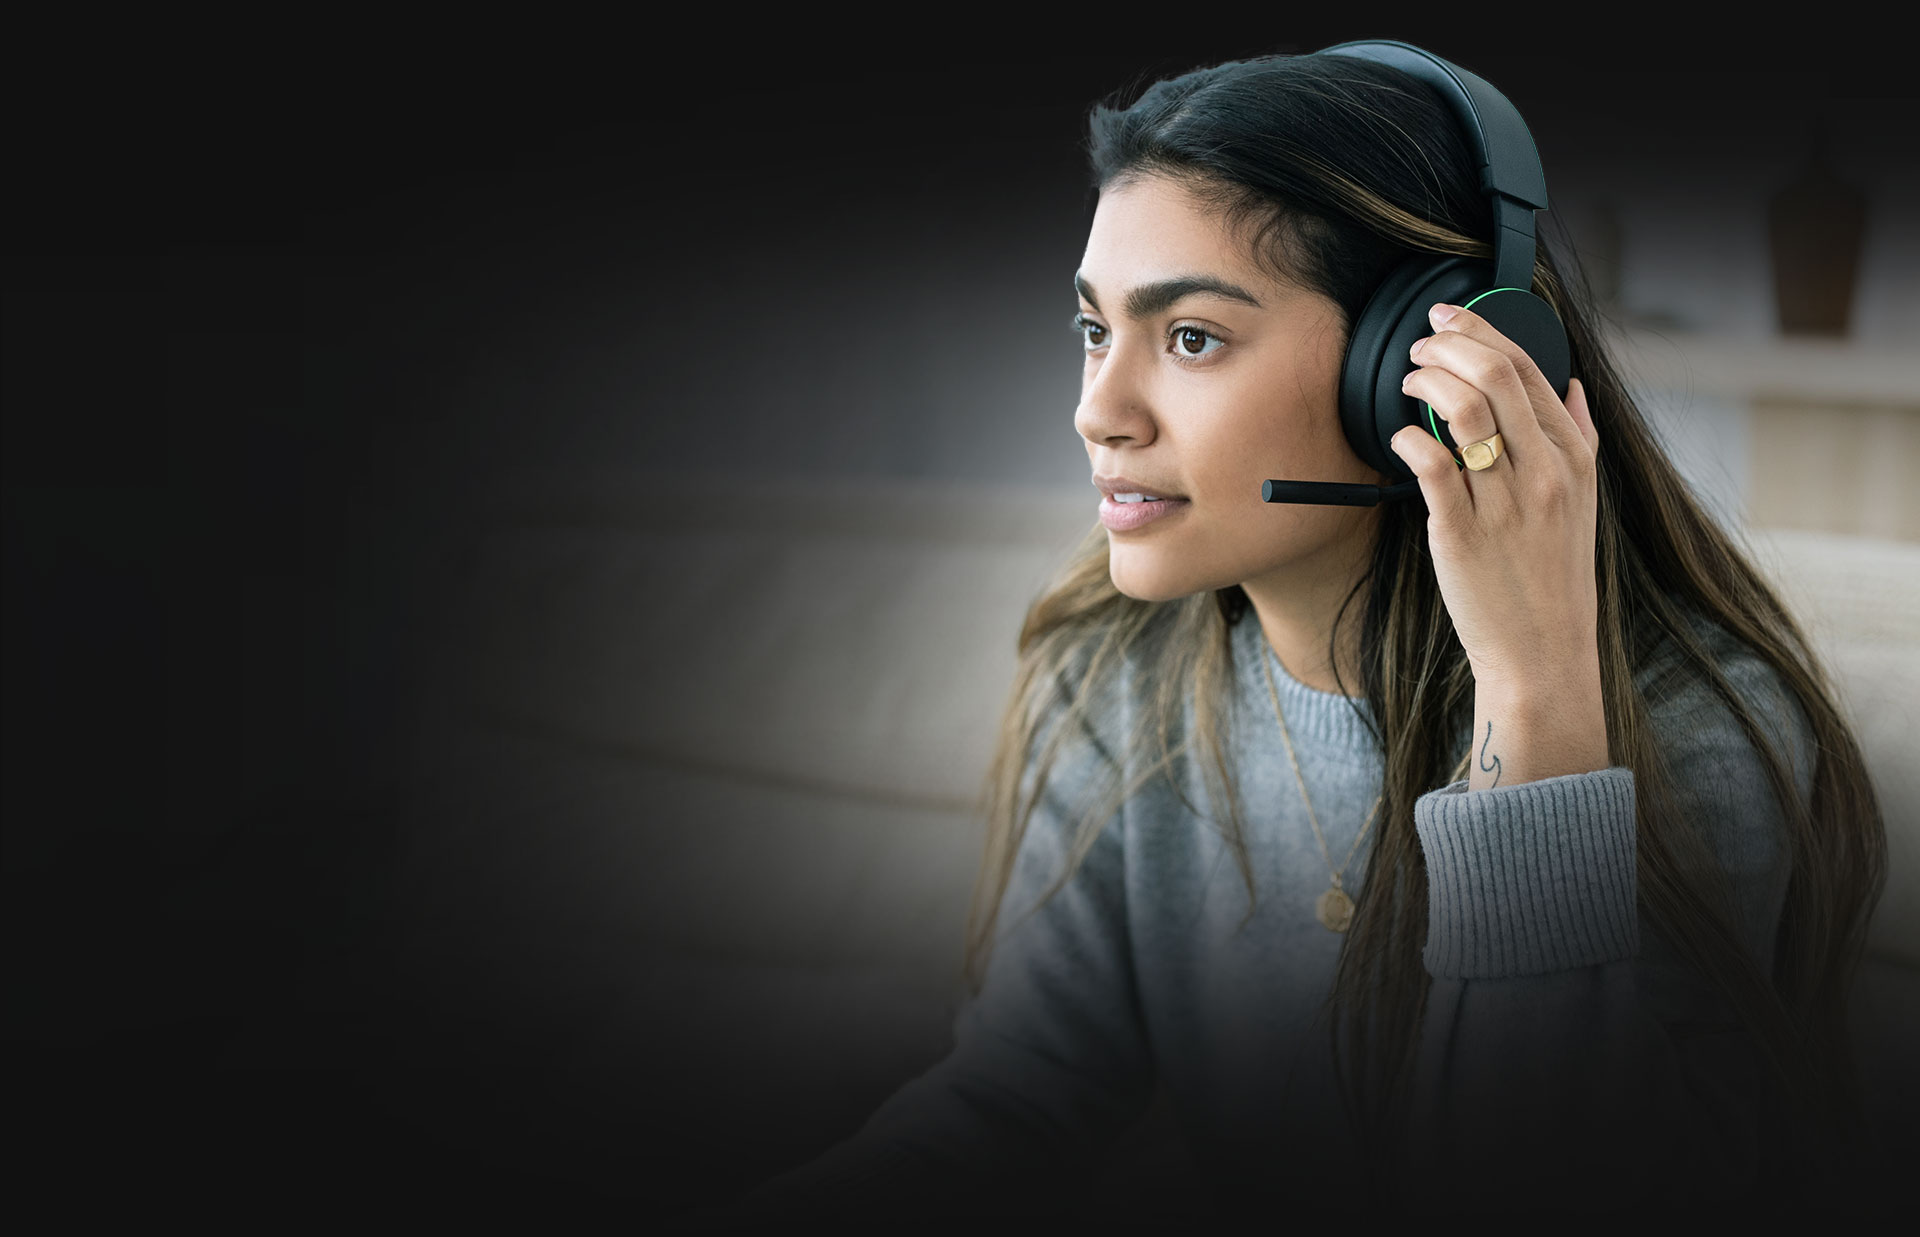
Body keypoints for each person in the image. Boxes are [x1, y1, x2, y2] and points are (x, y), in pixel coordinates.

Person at [670, 41, 1889, 1228]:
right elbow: (1017, 1101)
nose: (1098, 411)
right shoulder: (1116, 669)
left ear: (1425, 365)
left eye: (1190, 336)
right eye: (1096, 330)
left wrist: (1534, 693)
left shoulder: (1690, 723)